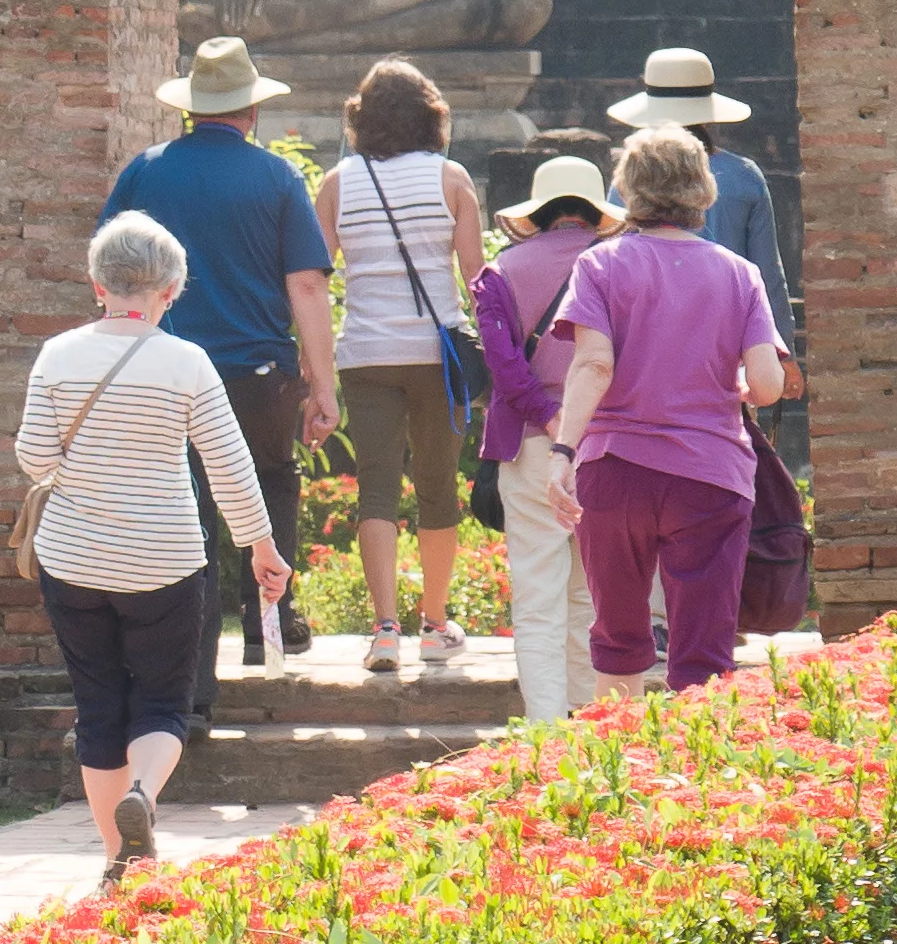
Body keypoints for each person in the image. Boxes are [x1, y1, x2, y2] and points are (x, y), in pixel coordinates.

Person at [20, 213, 294, 887]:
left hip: (75, 560)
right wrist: (261, 547)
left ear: (97, 284)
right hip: (165, 561)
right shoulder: (187, 363)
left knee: (98, 705)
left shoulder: (57, 356)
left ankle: (117, 858)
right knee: (163, 705)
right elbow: (230, 465)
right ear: (171, 291)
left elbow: (32, 459)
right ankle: (144, 791)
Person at [98, 39, 335, 692]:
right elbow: (308, 287)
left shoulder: (145, 173)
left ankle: (191, 692)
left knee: (188, 519)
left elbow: (109, 275)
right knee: (270, 485)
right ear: (252, 110)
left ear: (191, 111)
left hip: (165, 370)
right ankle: (268, 626)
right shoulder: (278, 179)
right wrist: (323, 385)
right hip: (259, 371)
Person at [529, 127, 798, 698]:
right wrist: (745, 386)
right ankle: (692, 777)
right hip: (709, 474)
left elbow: (593, 366)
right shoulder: (738, 272)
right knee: (702, 653)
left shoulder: (600, 265)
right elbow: (770, 384)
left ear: (628, 190)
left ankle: (619, 769)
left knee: (618, 638)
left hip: (616, 470)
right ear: (702, 190)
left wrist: (562, 453)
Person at [315, 62, 491, 672]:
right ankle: (435, 623)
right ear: (431, 116)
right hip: (436, 356)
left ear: (360, 119)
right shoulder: (451, 178)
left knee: (377, 491)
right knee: (439, 491)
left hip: (365, 355)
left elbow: (314, 277)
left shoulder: (338, 183)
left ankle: (384, 628)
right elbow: (477, 281)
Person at [471, 155, 616, 720]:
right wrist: (574, 423)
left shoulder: (500, 272)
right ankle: (588, 723)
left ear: (541, 211)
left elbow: (503, 368)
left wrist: (550, 417)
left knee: (537, 601)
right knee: (590, 599)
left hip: (531, 445)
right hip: (605, 442)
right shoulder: (615, 265)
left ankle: (546, 736)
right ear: (592, 212)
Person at [609, 46, 784, 312]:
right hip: (728, 330)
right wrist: (781, 348)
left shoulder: (628, 179)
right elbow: (768, 276)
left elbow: (613, 263)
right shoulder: (744, 177)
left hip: (645, 325)